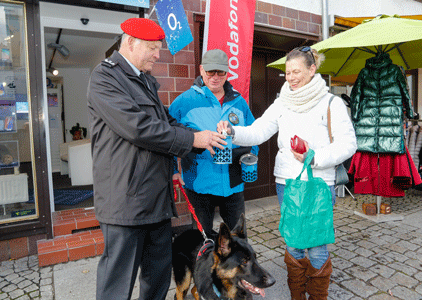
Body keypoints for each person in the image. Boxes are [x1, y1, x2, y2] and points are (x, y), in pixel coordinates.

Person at [87, 18, 226, 300]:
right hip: (125, 202)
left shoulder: (145, 80)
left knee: (158, 276)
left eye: (158, 48)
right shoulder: (105, 77)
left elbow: (168, 121)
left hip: (156, 201)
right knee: (118, 283)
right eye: (152, 47)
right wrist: (192, 140)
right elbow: (139, 128)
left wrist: (203, 137)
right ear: (129, 43)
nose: (157, 54)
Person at [217, 46, 357, 299]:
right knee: (293, 241)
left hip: (318, 183)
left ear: (313, 69)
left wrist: (315, 157)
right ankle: (296, 295)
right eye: (287, 73)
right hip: (286, 182)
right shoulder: (282, 102)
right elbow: (258, 131)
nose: (291, 77)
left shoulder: (331, 103)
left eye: (296, 71)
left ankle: (317, 296)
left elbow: (348, 144)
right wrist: (232, 132)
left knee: (315, 244)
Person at [169, 49, 258, 239]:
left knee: (238, 239)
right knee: (204, 238)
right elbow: (167, 135)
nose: (215, 77)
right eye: (210, 72)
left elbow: (254, 133)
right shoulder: (184, 102)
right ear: (201, 70)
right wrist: (172, 170)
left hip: (233, 183)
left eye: (220, 72)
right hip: (199, 182)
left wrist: (252, 156)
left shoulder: (239, 102)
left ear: (227, 73)